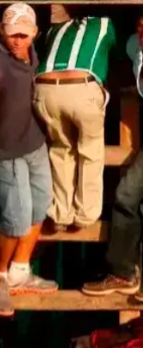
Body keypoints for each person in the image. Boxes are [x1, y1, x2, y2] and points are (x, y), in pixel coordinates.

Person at [0, 3, 57, 318]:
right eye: (12, 35)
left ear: (35, 33)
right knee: (16, 218)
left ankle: (20, 270)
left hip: (34, 143)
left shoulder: (33, 53)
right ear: (1, 32)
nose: (17, 41)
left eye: (23, 35)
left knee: (41, 205)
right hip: (7, 152)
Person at [36, 9, 116, 233]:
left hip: (44, 89)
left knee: (61, 149)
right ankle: (85, 214)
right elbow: (115, 59)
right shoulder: (105, 23)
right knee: (90, 152)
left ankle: (60, 213)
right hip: (82, 86)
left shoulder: (54, 30)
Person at [83, 15, 143, 298]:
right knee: (128, 196)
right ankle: (123, 272)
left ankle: (124, 272)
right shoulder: (134, 46)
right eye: (141, 26)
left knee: (129, 195)